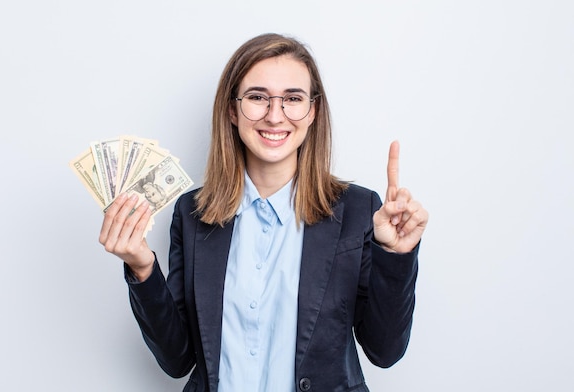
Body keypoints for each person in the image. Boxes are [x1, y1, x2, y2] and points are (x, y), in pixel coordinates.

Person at [99, 33, 428, 392]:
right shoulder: (192, 214)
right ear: (232, 109)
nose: (275, 116)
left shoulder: (359, 211)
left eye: (292, 99)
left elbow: (385, 351)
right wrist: (143, 268)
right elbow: (178, 360)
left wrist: (396, 257)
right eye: (257, 97)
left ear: (313, 111)